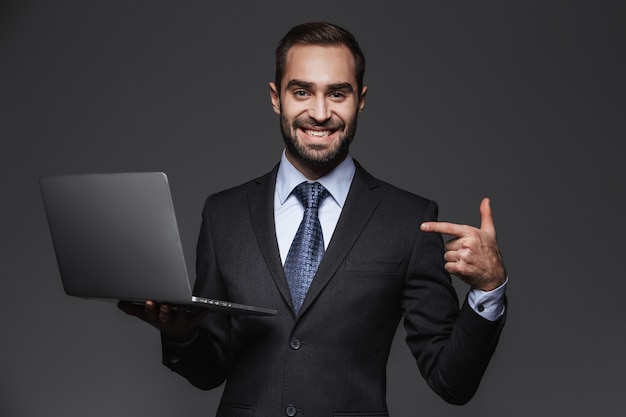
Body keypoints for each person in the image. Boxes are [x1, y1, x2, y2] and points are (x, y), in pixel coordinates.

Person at [120, 21, 507, 416]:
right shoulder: (224, 214)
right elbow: (209, 371)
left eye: (337, 93)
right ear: (276, 98)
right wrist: (181, 334)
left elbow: (451, 381)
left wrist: (488, 290)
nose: (319, 114)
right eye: (302, 92)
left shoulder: (408, 220)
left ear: (360, 100)